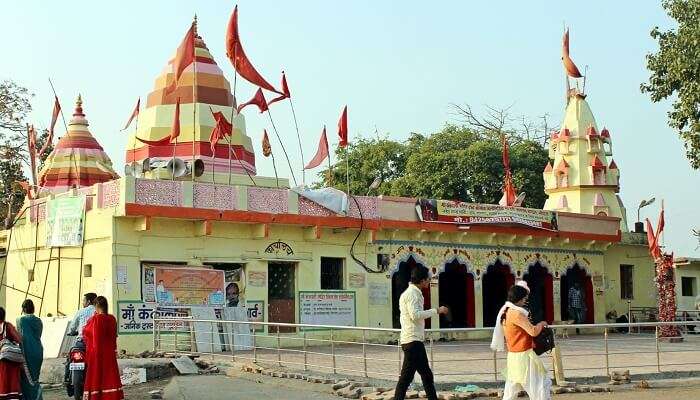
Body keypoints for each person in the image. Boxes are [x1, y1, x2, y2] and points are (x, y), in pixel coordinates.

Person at [393, 267, 448, 400]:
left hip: (412, 340)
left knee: (416, 375)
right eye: (428, 279)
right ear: (422, 280)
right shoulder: (412, 294)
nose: (429, 282)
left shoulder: (413, 292)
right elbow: (415, 315)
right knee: (415, 376)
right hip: (413, 341)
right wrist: (437, 310)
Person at [491, 282, 551, 400]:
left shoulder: (506, 312)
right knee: (539, 385)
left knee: (511, 390)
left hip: (513, 356)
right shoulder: (517, 314)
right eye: (524, 298)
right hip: (524, 356)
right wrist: (541, 324)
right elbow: (533, 331)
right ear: (519, 299)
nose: (525, 301)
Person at [82, 296, 123, 400]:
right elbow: (114, 336)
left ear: (96, 306)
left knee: (96, 376)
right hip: (109, 353)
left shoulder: (95, 319)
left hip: (97, 353)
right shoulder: (112, 319)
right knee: (109, 376)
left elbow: (86, 332)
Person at [65, 293, 97, 386]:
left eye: (84, 300)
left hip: (81, 343)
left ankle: (67, 378)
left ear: (88, 301)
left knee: (70, 358)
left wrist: (71, 332)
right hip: (95, 344)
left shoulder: (81, 312)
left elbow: (73, 326)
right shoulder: (98, 312)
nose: (83, 302)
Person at [17, 299, 43, 400]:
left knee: (26, 380)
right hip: (38, 351)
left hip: (26, 352)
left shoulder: (21, 320)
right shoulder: (38, 320)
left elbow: (18, 336)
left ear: (23, 309)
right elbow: (38, 335)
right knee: (35, 378)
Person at [0, 306, 23, 399]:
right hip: (12, 360)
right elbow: (19, 339)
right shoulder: (7, 326)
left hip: (2, 362)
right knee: (13, 383)